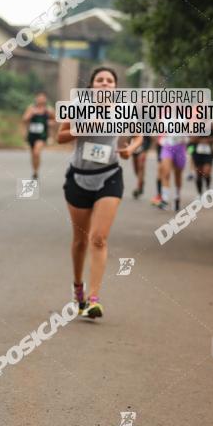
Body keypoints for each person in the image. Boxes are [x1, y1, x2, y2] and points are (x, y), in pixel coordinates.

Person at [57, 66, 142, 319]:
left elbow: (139, 136)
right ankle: (77, 288)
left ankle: (94, 299)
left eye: (109, 81)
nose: (104, 84)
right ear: (92, 86)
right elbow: (60, 136)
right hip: (79, 177)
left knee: (99, 238)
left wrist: (130, 149)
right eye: (99, 80)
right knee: (80, 240)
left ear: (115, 87)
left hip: (109, 176)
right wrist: (82, 127)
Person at [152, 132, 189, 211]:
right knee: (166, 172)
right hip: (167, 146)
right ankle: (165, 199)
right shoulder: (163, 119)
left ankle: (177, 197)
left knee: (178, 174)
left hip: (180, 147)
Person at [21, 92, 54, 179]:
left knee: (36, 152)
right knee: (33, 154)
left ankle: (36, 171)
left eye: (42, 97)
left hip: (42, 135)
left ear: (45, 99)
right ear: (36, 98)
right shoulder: (31, 108)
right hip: (32, 134)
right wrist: (31, 114)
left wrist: (50, 123)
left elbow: (54, 121)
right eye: (39, 97)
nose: (40, 99)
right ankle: (35, 171)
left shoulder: (49, 110)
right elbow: (24, 119)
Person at [191, 125, 213, 194]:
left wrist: (208, 140)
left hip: (208, 154)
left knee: (206, 172)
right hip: (197, 153)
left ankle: (208, 188)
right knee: (199, 174)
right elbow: (191, 139)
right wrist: (199, 139)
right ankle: (199, 193)